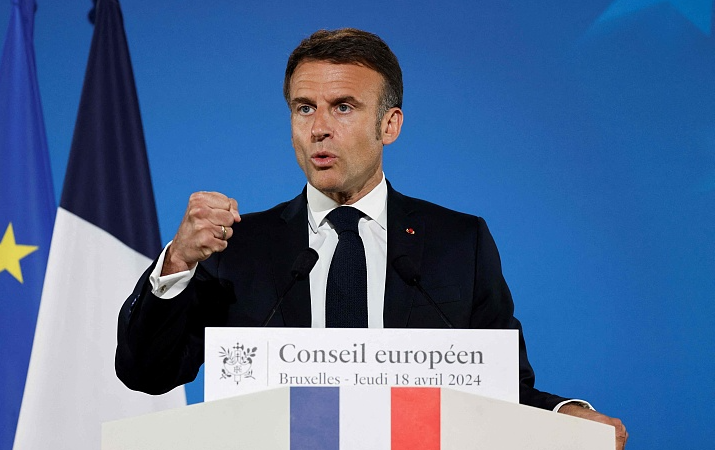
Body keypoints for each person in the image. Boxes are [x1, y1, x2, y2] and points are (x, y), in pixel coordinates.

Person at [116, 28, 627, 448]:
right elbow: (147, 371)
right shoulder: (240, 247)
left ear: (390, 125)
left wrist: (567, 415)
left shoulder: (458, 243)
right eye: (303, 107)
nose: (318, 128)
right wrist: (179, 260)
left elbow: (499, 388)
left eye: (342, 107)